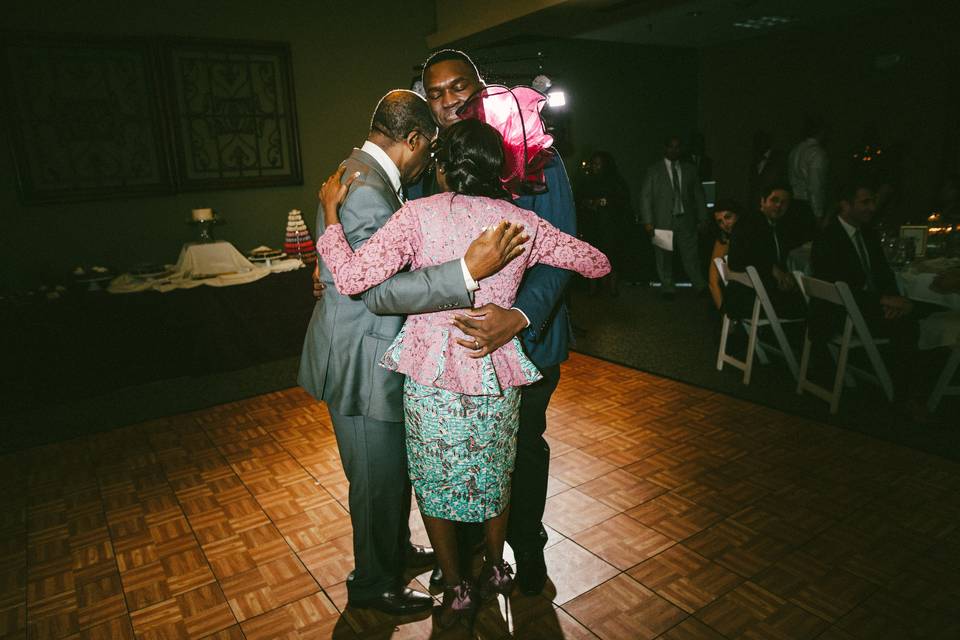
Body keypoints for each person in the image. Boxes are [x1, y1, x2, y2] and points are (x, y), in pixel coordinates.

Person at [317, 118, 610, 626]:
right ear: (500, 172)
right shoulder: (518, 224)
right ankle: (497, 568)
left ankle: (454, 587)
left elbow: (350, 278)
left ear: (442, 168)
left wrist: (330, 217)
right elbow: (596, 263)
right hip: (494, 368)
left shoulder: (415, 217)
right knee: (497, 474)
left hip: (430, 375)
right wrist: (519, 300)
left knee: (433, 483)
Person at [297, 90, 525, 616]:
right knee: (375, 481)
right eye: (431, 150)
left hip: (371, 348)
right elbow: (377, 290)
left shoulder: (365, 176)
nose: (431, 163)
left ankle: (395, 551)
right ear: (416, 139)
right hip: (360, 357)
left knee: (388, 471)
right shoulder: (366, 191)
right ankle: (373, 583)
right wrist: (466, 272)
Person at [413, 49, 579, 597]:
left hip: (527, 344)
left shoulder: (537, 156)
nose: (448, 100)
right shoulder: (427, 168)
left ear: (480, 88)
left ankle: (526, 551)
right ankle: (460, 559)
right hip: (451, 352)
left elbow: (561, 254)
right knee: (453, 453)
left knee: (523, 450)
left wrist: (519, 316)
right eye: (435, 93)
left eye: (458, 87)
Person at [810, 181, 918, 399]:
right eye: (865, 202)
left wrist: (892, 298)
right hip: (841, 314)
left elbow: (883, 273)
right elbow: (840, 288)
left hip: (866, 307)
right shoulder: (828, 238)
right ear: (845, 205)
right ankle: (905, 395)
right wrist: (883, 301)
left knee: (915, 309)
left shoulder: (868, 234)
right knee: (909, 325)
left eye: (873, 201)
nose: (872, 208)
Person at [640, 135, 709, 299]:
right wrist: (648, 221)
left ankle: (700, 285)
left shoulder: (690, 169)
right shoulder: (654, 170)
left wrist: (703, 217)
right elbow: (646, 197)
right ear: (665, 148)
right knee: (663, 257)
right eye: (671, 146)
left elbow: (699, 195)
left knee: (692, 255)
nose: (674, 150)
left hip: (686, 220)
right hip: (662, 220)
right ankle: (667, 287)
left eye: (677, 147)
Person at [725, 182, 806, 320]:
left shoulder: (777, 227)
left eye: (784, 203)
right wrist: (772, 269)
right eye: (774, 200)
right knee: (807, 306)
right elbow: (737, 259)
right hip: (748, 298)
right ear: (762, 201)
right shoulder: (749, 223)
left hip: (757, 295)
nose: (779, 205)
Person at [577, 151, 632, 296]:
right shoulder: (586, 181)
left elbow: (624, 202)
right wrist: (588, 203)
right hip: (592, 226)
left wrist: (605, 202)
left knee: (612, 256)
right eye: (594, 164)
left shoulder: (616, 181)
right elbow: (579, 199)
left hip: (611, 226)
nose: (596, 167)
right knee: (592, 257)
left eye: (599, 164)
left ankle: (612, 288)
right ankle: (593, 288)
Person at [787, 115, 829, 240]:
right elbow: (815, 187)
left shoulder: (795, 150)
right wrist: (818, 215)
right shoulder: (817, 154)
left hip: (794, 204)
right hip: (808, 208)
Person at [707, 198, 741, 311]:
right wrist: (724, 312)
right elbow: (713, 281)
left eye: (728, 217)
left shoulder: (753, 232)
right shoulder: (723, 240)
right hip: (737, 292)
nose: (724, 224)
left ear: (738, 215)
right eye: (720, 221)